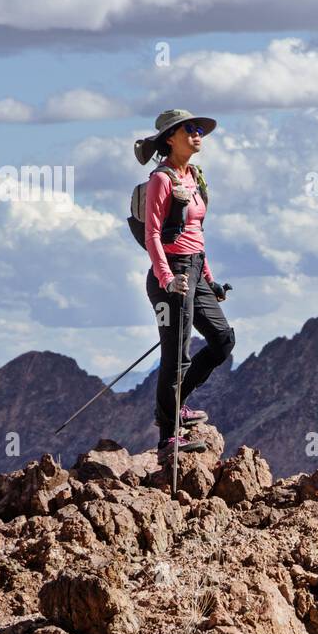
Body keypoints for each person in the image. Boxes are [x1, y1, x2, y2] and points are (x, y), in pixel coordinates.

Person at [133, 109, 235, 458]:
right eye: (189, 129)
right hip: (170, 274)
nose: (197, 134)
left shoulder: (193, 176)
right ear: (170, 138)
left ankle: (177, 404)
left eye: (199, 130)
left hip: (194, 269)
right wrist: (166, 277)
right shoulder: (161, 179)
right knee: (176, 354)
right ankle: (167, 436)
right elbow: (152, 235)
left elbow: (196, 235)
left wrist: (209, 281)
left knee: (223, 340)